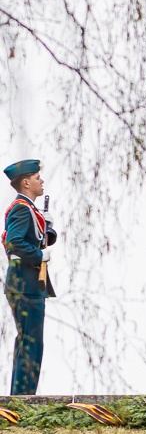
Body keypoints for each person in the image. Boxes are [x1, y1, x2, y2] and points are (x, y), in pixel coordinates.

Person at [5, 160, 56, 396]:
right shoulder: (22, 208)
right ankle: (23, 397)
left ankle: (24, 395)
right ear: (26, 183)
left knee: (32, 342)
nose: (41, 180)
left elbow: (29, 237)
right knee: (30, 343)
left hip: (28, 283)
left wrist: (47, 231)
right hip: (24, 282)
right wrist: (39, 255)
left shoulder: (28, 209)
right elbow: (14, 242)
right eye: (37, 177)